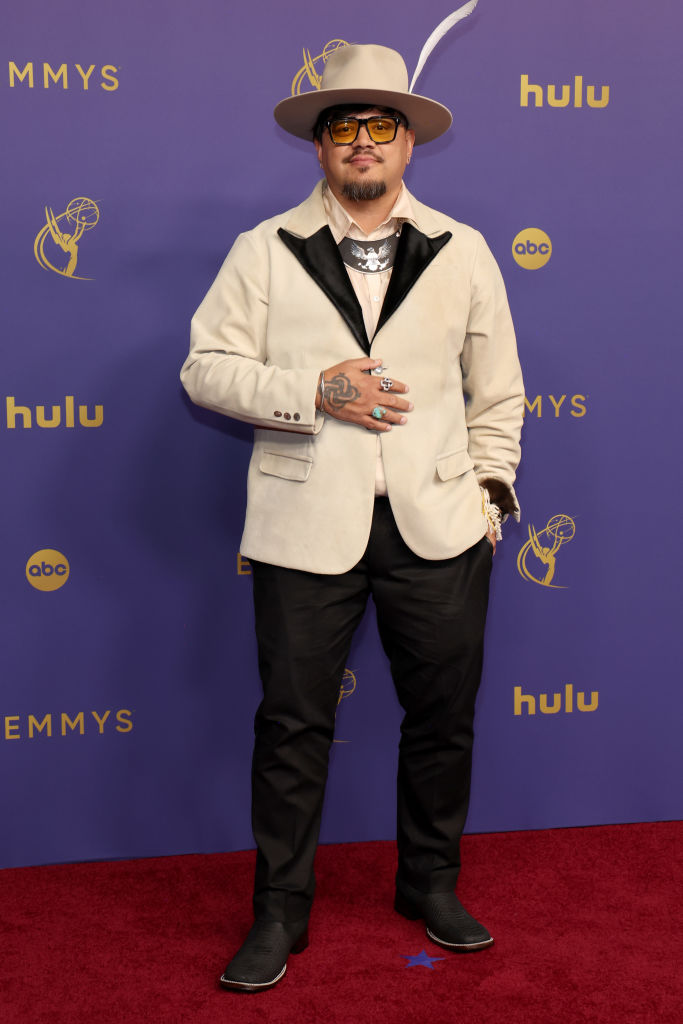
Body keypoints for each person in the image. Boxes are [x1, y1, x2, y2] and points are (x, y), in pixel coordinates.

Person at [181, 41, 523, 992]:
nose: (362, 142)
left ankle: (430, 882)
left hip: (441, 527)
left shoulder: (464, 250)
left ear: (407, 144)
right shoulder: (263, 248)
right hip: (303, 527)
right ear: (320, 148)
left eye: (381, 126)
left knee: (443, 718)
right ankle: (280, 912)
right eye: (342, 128)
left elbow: (496, 395)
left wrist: (491, 494)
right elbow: (204, 368)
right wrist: (313, 388)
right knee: (291, 726)